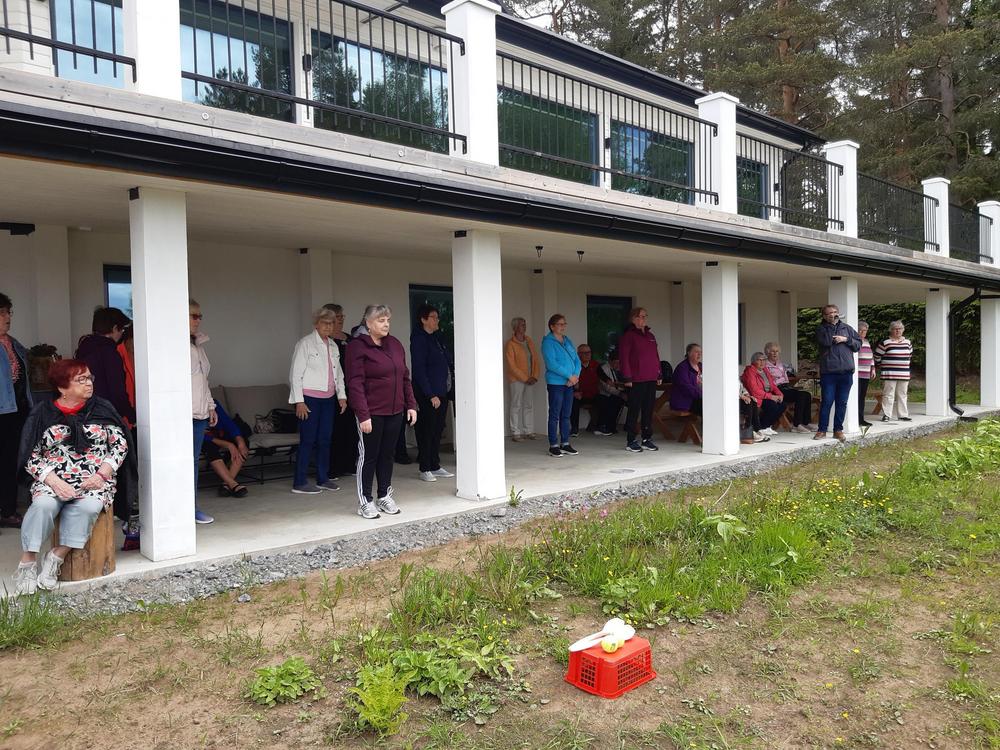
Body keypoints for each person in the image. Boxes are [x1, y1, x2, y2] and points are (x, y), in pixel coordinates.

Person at [12, 359, 136, 595]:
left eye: (90, 378)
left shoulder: (101, 408)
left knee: (89, 507)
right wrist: (54, 482)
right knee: (43, 505)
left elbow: (120, 446)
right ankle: (28, 562)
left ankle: (56, 556)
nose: (89, 383)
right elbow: (30, 455)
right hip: (53, 480)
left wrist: (102, 475)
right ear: (62, 387)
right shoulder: (43, 413)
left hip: (94, 480)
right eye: (81, 379)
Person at [347, 305, 417, 520]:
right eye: (380, 320)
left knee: (387, 455)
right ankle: (365, 501)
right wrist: (363, 415)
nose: (386, 324)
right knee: (368, 456)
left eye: (387, 320)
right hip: (371, 413)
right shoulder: (357, 347)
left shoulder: (395, 344)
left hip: (394, 411)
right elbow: (355, 383)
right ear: (368, 323)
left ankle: (384, 495)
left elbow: (404, 377)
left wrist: (411, 405)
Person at [289, 308, 347, 494]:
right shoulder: (305, 344)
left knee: (325, 439)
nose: (328, 327)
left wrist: (342, 396)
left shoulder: (333, 346)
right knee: (308, 440)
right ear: (316, 324)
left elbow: (339, 374)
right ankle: (300, 482)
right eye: (324, 323)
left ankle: (323, 478)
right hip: (309, 399)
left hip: (328, 399)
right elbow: (295, 374)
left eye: (331, 323)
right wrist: (299, 401)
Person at [410, 304, 455, 482]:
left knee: (437, 429)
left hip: (442, 391)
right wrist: (430, 394)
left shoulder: (436, 338)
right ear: (423, 319)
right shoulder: (419, 340)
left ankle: (435, 465)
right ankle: (425, 467)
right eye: (433, 317)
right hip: (428, 393)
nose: (437, 320)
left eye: (437, 317)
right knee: (426, 430)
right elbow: (419, 370)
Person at [0, 292, 32, 529]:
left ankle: (8, 509)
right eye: (1, 313)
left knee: (11, 460)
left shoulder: (13, 343)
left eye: (8, 312)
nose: (7, 317)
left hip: (16, 411)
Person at [75, 306, 135, 427]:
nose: (122, 334)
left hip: (83, 413)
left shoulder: (83, 348)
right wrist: (131, 416)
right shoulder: (109, 352)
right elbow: (117, 391)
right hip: (105, 416)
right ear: (114, 328)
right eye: (122, 330)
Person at [814, 304, 862, 442]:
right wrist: (832, 326)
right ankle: (822, 430)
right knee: (827, 401)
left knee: (842, 402)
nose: (832, 314)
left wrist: (846, 339)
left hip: (846, 372)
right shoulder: (821, 329)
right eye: (829, 313)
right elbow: (826, 342)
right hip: (829, 372)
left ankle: (838, 430)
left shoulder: (847, 328)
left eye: (835, 312)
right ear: (824, 316)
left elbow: (858, 345)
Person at [618, 308, 662, 453]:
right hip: (636, 379)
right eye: (641, 316)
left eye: (645, 316)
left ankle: (646, 439)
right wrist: (627, 377)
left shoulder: (651, 336)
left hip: (651, 377)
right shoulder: (628, 336)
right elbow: (624, 357)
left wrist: (659, 374)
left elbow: (656, 356)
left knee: (648, 410)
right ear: (633, 319)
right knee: (634, 410)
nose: (644, 319)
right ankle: (631, 440)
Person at [323, 304, 359, 478]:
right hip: (332, 391)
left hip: (352, 389)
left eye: (342, 316)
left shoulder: (350, 339)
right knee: (335, 429)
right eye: (338, 316)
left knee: (351, 428)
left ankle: (349, 464)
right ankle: (333, 468)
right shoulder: (324, 340)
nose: (341, 319)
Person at [190, 299, 217, 525]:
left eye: (200, 316)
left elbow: (203, 380)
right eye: (193, 316)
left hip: (199, 413)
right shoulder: (173, 344)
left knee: (193, 464)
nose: (198, 320)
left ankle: (192, 508)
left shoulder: (198, 345)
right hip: (181, 414)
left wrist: (210, 405)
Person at [541, 314, 581, 458]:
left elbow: (577, 360)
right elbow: (552, 364)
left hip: (569, 383)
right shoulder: (548, 343)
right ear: (552, 326)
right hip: (556, 383)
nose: (563, 326)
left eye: (564, 324)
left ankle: (565, 443)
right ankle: (553, 445)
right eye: (560, 324)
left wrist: (575, 376)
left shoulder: (567, 340)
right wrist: (569, 376)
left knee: (566, 414)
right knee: (555, 414)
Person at [763, 342, 814, 433]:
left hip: (785, 387)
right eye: (772, 351)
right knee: (801, 395)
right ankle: (796, 425)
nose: (775, 353)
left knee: (807, 394)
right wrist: (780, 379)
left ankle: (805, 422)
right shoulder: (765, 365)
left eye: (777, 351)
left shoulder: (780, 364)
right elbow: (770, 382)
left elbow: (785, 378)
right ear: (767, 353)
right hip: (775, 390)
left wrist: (780, 378)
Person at [504, 317, 540, 442]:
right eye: (521, 325)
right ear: (515, 328)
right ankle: (515, 432)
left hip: (530, 378)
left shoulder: (529, 341)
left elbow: (535, 359)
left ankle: (528, 430)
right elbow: (511, 365)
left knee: (528, 404)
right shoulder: (510, 344)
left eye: (525, 324)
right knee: (516, 405)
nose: (524, 327)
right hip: (517, 379)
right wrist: (525, 378)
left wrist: (534, 375)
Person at [202, 402, 249, 497]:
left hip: (220, 434)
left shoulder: (212, 402)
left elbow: (228, 423)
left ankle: (226, 484)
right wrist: (228, 444)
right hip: (204, 438)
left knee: (243, 443)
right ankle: (233, 484)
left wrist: (239, 440)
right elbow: (195, 433)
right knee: (209, 447)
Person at [874, 320, 913, 423]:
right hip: (889, 373)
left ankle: (903, 415)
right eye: (895, 329)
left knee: (902, 394)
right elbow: (877, 356)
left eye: (900, 329)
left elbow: (909, 356)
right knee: (888, 394)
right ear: (891, 330)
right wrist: (881, 366)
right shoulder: (885, 343)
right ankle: (887, 415)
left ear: (903, 330)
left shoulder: (908, 342)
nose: (897, 331)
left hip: (904, 373)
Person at [742, 352, 785, 433]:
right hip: (756, 398)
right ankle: (762, 427)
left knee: (782, 405)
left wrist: (780, 394)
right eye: (759, 360)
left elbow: (772, 385)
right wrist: (771, 397)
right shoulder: (750, 372)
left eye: (764, 360)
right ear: (753, 362)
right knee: (772, 405)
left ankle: (768, 426)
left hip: (766, 395)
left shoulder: (765, 370)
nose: (762, 362)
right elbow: (754, 391)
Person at [593, 349, 626, 436]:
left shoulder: (618, 369)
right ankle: (603, 426)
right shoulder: (604, 369)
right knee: (614, 401)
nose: (618, 365)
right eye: (616, 363)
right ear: (610, 361)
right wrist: (620, 394)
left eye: (619, 362)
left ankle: (615, 425)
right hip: (604, 394)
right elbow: (607, 388)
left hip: (615, 393)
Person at [571, 343, 600, 436]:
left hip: (593, 394)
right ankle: (574, 429)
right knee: (573, 402)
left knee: (605, 400)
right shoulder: (573, 365)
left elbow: (603, 378)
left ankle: (595, 426)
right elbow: (569, 380)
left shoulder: (595, 365)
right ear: (578, 354)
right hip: (579, 394)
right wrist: (574, 392)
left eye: (589, 352)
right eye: (585, 353)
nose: (588, 355)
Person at [670, 343, 703, 415]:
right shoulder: (682, 368)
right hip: (685, 401)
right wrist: (702, 394)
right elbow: (685, 387)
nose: (699, 354)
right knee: (707, 406)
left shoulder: (701, 366)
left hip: (698, 397)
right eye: (696, 352)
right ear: (689, 353)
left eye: (700, 352)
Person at [856, 322, 876, 427]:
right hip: (857, 373)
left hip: (866, 373)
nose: (863, 332)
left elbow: (871, 356)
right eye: (861, 330)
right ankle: (856, 419)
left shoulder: (867, 342)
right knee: (857, 396)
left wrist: (873, 369)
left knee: (862, 397)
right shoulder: (855, 341)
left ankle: (861, 419)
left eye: (865, 331)